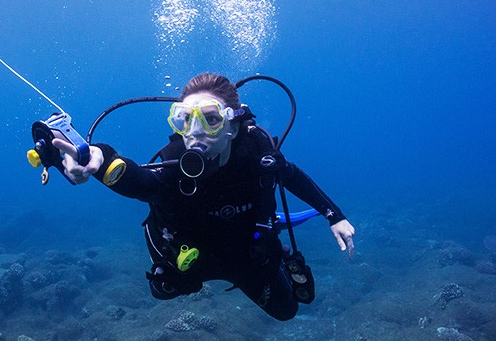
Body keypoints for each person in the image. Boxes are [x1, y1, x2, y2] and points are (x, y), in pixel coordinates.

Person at [52, 73, 355, 320]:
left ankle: (279, 248)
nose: (195, 132)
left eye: (210, 119)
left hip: (247, 250)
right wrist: (101, 158)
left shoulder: (256, 150)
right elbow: (141, 182)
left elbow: (290, 174)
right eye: (185, 119)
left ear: (233, 126)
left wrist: (335, 216)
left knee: (288, 311)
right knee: (162, 292)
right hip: (191, 255)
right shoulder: (173, 160)